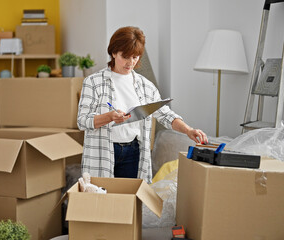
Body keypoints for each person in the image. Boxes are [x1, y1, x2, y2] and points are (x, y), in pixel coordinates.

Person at [77, 26, 208, 183]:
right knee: (102, 200)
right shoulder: (93, 82)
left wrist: (188, 130)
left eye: (135, 57)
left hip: (133, 152)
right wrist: (109, 117)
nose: (130, 63)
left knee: (129, 202)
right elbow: (82, 121)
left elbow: (165, 115)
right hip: (103, 150)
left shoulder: (146, 86)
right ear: (113, 52)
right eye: (125, 57)